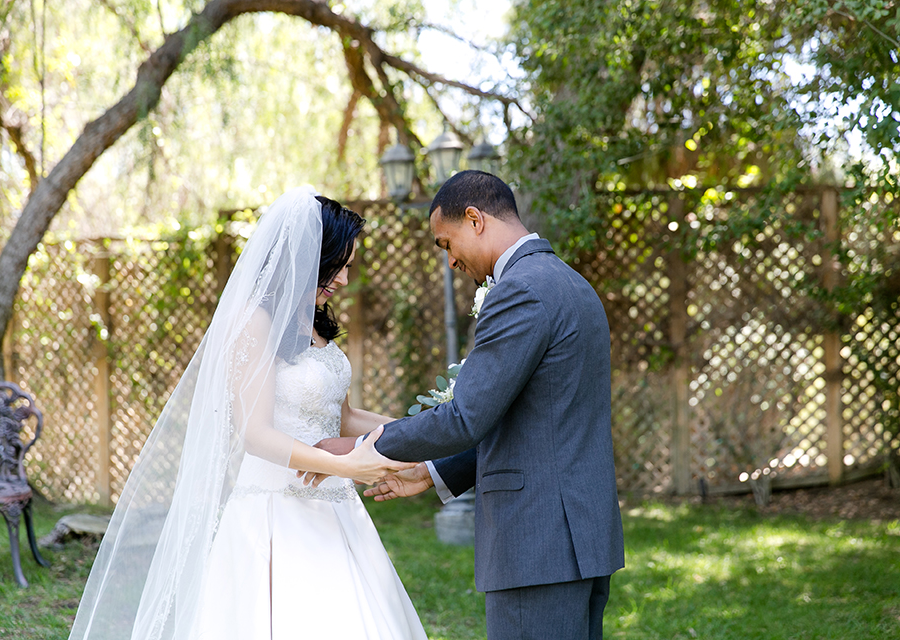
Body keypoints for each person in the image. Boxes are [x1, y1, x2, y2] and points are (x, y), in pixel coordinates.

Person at [68, 187, 426, 640]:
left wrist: (421, 430)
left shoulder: (315, 323)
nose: (343, 280)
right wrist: (344, 465)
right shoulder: (253, 323)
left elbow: (345, 416)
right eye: (338, 265)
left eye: (349, 267)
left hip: (335, 507)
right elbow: (254, 435)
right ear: (310, 257)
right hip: (275, 511)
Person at [316, 171, 625, 640]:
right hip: (580, 538)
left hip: (538, 544)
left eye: (446, 243)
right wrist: (431, 472)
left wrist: (363, 447)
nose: (451, 261)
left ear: (475, 220)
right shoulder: (571, 284)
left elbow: (466, 416)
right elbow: (534, 423)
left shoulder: (520, 289)